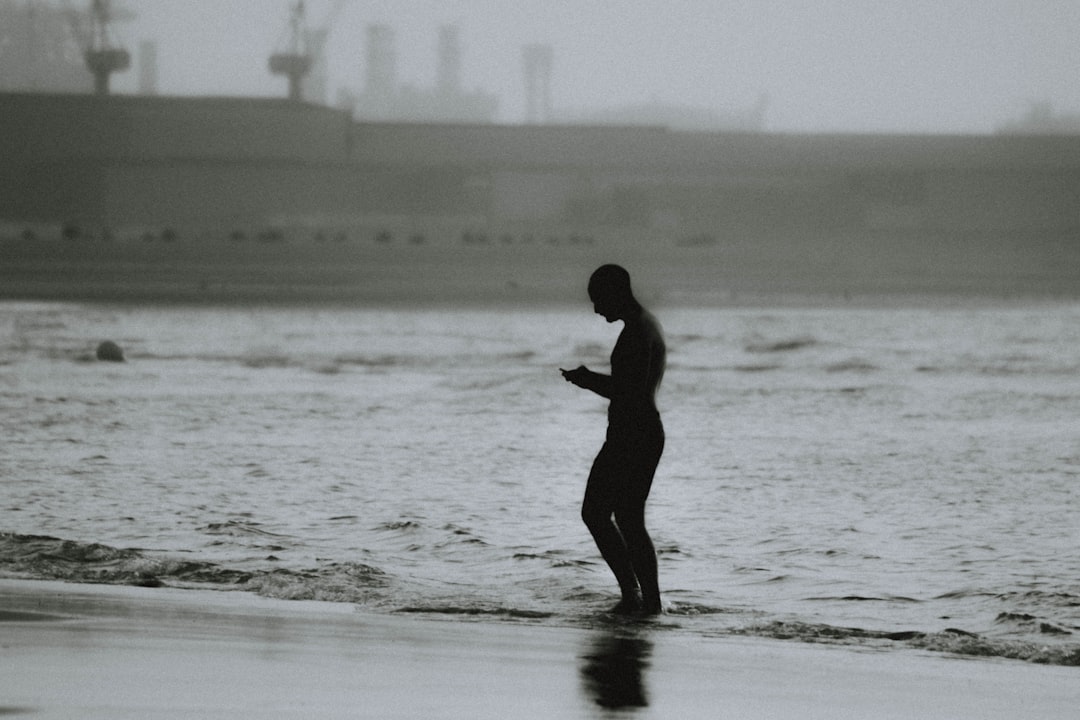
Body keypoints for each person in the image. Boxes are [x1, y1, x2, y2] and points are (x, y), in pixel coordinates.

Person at [561, 264, 666, 615]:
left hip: (632, 435)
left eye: (599, 300)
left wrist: (588, 379)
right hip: (641, 432)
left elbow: (629, 392)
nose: (596, 309)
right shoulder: (646, 325)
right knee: (627, 518)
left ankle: (637, 596)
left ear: (617, 292)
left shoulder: (637, 332)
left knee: (598, 513)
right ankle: (645, 600)